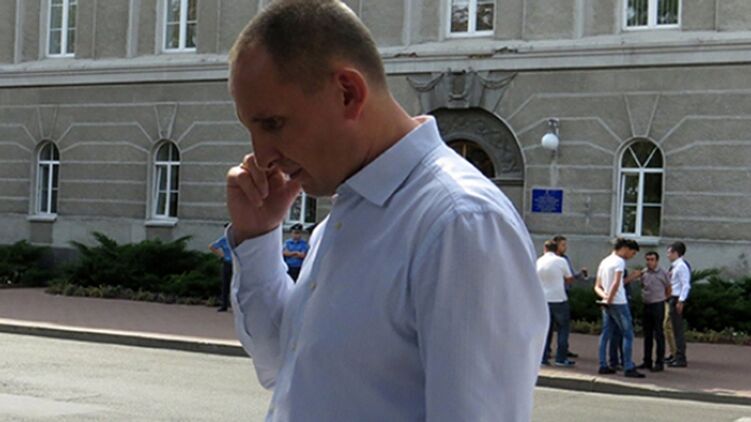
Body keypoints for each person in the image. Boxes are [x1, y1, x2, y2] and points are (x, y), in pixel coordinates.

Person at [223, 1, 548, 420]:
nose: (262, 156)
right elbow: (281, 364)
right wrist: (258, 236)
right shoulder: (348, 215)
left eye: (272, 124)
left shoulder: (460, 223)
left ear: (348, 94)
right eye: (251, 129)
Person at [594, 238, 645, 378]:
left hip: (606, 302)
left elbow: (597, 285)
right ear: (625, 248)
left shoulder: (604, 261)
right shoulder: (619, 262)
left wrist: (605, 298)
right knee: (628, 334)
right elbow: (617, 283)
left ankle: (603, 364)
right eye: (632, 253)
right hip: (619, 302)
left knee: (606, 333)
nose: (632, 256)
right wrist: (610, 298)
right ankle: (628, 366)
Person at [537, 240, 575, 367]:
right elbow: (569, 278)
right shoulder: (561, 261)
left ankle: (543, 357)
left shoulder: (538, 261)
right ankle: (561, 358)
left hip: (543, 299)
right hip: (559, 298)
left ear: (545, 248)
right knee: (563, 329)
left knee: (546, 329)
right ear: (556, 249)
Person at [551, 234, 587, 359]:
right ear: (556, 246)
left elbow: (571, 275)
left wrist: (580, 274)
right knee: (557, 325)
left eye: (565, 245)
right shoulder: (554, 260)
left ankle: (563, 349)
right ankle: (550, 351)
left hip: (564, 293)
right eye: (562, 245)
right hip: (556, 295)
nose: (565, 247)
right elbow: (567, 278)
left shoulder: (565, 259)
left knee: (563, 325)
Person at [636, 251, 671, 371]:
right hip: (647, 304)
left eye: (652, 259)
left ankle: (659, 362)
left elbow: (669, 288)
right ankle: (647, 361)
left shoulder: (663, 273)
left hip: (658, 304)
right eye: (648, 259)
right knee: (647, 334)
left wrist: (663, 298)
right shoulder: (644, 273)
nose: (649, 262)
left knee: (659, 333)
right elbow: (642, 286)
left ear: (657, 261)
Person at [666, 241, 691, 368]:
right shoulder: (675, 266)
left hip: (676, 298)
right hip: (672, 297)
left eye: (669, 252)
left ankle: (681, 357)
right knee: (671, 327)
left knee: (677, 329)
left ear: (676, 253)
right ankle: (675, 354)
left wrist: (681, 300)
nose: (668, 255)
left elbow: (685, 284)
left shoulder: (681, 266)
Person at [208, 225, 233, 312]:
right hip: (228, 263)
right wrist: (222, 255)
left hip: (237, 264)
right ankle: (224, 305)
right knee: (225, 284)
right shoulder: (224, 239)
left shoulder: (237, 238)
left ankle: (233, 304)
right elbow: (212, 246)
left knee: (237, 284)